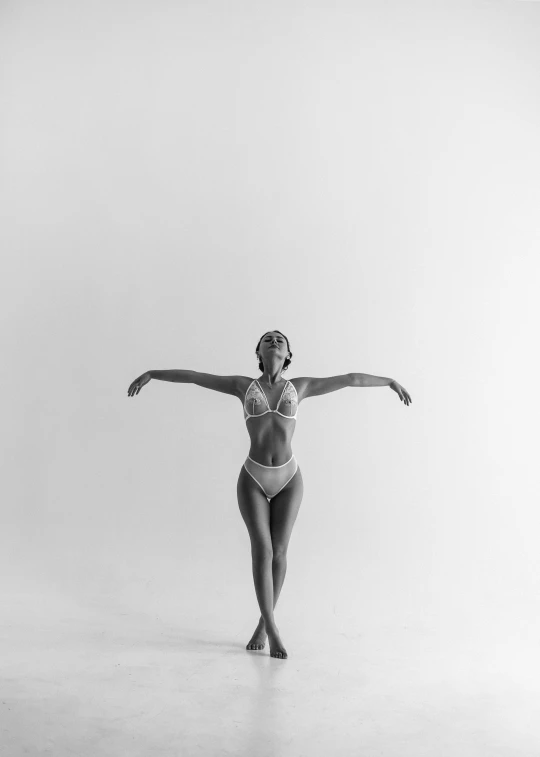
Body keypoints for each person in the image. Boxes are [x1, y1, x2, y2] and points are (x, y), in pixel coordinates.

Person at [127, 330, 412, 660]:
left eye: (280, 339)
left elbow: (349, 379)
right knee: (261, 549)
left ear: (288, 352)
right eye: (267, 339)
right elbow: (195, 377)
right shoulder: (243, 386)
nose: (274, 341)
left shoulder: (300, 387)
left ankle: (263, 624)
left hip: (290, 478)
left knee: (279, 551)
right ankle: (274, 629)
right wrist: (152, 374)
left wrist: (390, 381)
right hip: (253, 477)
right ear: (259, 351)